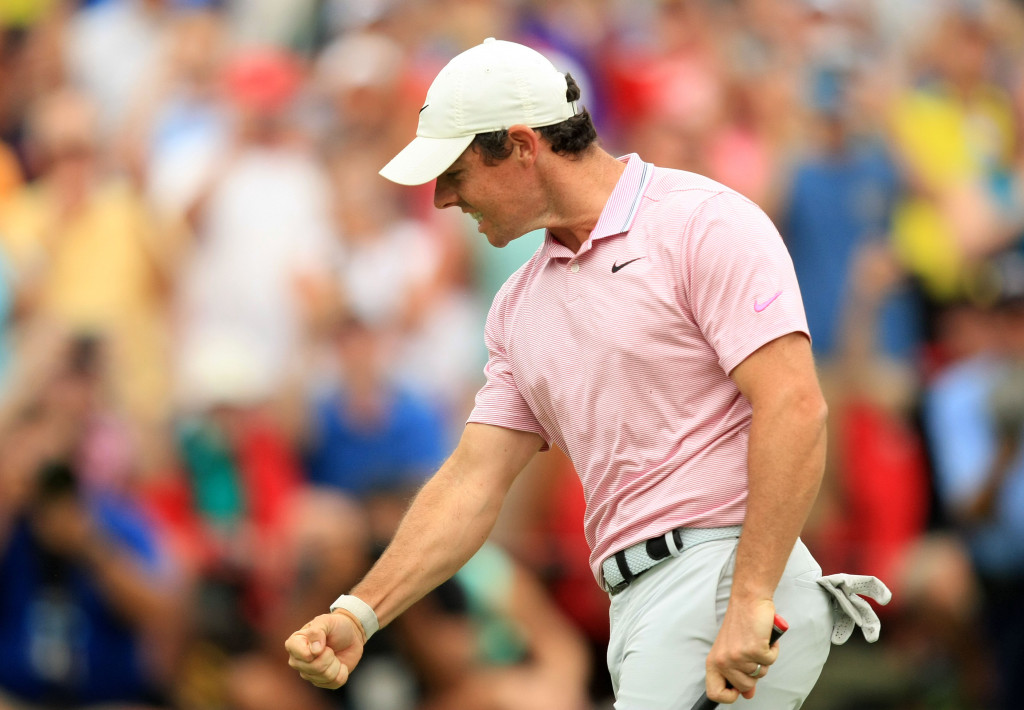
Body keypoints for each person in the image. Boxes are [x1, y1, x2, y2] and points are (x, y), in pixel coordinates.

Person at [286, 37, 875, 709]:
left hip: (725, 583)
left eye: (454, 171)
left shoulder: (702, 222)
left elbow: (795, 405)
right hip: (647, 604)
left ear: (521, 145)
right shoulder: (517, 306)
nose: (443, 198)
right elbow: (473, 479)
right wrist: (360, 612)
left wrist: (751, 596)